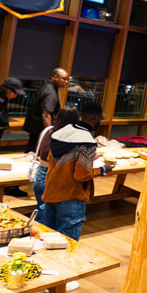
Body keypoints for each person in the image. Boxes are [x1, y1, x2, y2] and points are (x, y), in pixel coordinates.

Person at [37, 101, 105, 240]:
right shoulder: (87, 140)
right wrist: (102, 169)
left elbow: (53, 160)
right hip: (71, 197)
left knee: (47, 239)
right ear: (96, 118)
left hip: (51, 192)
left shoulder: (60, 133)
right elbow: (81, 175)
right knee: (67, 243)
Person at [30, 106, 79, 222]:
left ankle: (36, 236)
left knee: (42, 209)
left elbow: (43, 153)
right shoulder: (71, 135)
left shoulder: (48, 131)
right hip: (55, 176)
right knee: (54, 216)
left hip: (40, 174)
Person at [23, 68, 68, 152]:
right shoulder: (50, 92)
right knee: (37, 154)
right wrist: (49, 133)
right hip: (40, 130)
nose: (66, 82)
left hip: (36, 129)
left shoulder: (45, 86)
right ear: (55, 77)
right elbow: (46, 114)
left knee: (32, 151)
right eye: (64, 79)